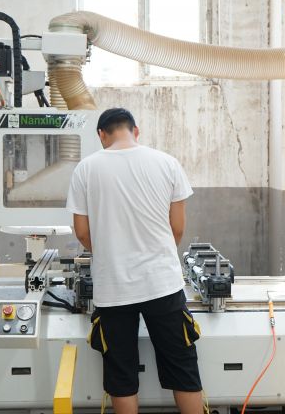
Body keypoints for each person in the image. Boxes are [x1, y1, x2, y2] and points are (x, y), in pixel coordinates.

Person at [66, 108, 203, 414]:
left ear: (101, 134)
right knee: (183, 366)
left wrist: (110, 252)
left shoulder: (86, 169)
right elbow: (177, 229)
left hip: (113, 288)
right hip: (163, 284)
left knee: (121, 374)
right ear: (135, 130)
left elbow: (82, 232)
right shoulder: (167, 163)